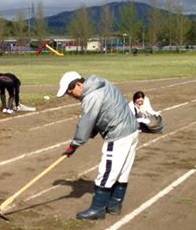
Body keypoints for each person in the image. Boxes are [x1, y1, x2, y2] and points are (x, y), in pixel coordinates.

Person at [56, 71, 139, 220]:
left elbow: (86, 122)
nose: (71, 96)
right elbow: (106, 109)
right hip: (131, 130)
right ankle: (114, 205)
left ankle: (97, 209)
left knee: (107, 171)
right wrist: (94, 130)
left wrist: (74, 145)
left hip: (118, 134)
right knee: (121, 172)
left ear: (79, 85)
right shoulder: (103, 83)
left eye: (70, 92)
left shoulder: (91, 96)